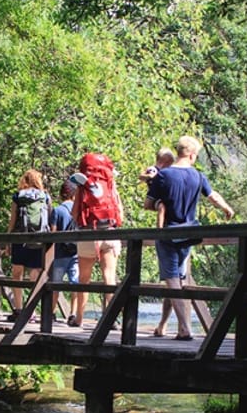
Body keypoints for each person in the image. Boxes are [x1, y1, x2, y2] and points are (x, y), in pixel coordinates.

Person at [145, 135, 235, 340]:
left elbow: (148, 204)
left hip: (168, 233)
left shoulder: (163, 176)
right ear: (192, 155)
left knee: (172, 279)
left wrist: (159, 204)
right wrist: (227, 209)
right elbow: (213, 196)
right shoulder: (198, 176)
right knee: (177, 279)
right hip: (189, 234)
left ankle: (184, 328)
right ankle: (169, 326)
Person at [70, 152, 125, 329]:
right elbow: (120, 212)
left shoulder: (83, 185)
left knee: (84, 279)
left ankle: (79, 318)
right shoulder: (110, 183)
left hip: (88, 234)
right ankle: (110, 319)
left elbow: (75, 212)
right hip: (110, 233)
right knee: (109, 277)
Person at [142, 147, 183, 336]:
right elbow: (143, 176)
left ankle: (175, 326)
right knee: (173, 280)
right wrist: (150, 177)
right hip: (180, 231)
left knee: (172, 281)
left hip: (169, 230)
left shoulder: (170, 175)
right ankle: (165, 325)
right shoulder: (160, 173)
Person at [6, 169, 50, 321]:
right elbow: (49, 219)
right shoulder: (45, 197)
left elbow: (12, 221)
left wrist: (8, 240)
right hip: (39, 239)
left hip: (20, 239)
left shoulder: (18, 196)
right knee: (35, 275)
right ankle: (31, 311)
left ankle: (18, 309)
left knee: (17, 273)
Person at [49, 179, 80, 320]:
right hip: (76, 252)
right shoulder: (79, 209)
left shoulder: (57, 210)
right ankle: (73, 313)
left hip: (60, 253)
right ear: (75, 194)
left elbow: (53, 233)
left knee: (56, 284)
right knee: (76, 283)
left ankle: (52, 312)